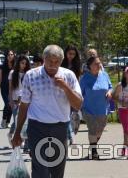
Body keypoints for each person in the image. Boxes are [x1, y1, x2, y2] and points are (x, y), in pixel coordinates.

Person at [11, 45, 82, 178]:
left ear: (61, 61)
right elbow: (24, 106)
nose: (53, 65)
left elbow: (78, 104)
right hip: (37, 128)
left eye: (57, 62)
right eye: (50, 61)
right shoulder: (31, 75)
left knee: (57, 171)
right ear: (44, 59)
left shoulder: (68, 76)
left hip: (60, 128)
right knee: (40, 170)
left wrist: (65, 87)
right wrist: (17, 132)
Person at [79, 55, 112, 160]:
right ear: (90, 66)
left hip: (103, 108)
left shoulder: (105, 75)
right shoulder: (85, 78)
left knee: (100, 130)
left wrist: (109, 92)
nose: (99, 65)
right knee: (92, 129)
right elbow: (79, 92)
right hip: (88, 109)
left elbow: (110, 87)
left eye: (99, 63)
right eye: (96, 64)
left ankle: (92, 146)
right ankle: (94, 152)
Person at [61, 45, 82, 143]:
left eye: (73, 54)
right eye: (69, 54)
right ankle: (70, 136)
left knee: (71, 114)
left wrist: (77, 93)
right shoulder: (61, 63)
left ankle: (70, 134)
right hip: (62, 91)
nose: (71, 56)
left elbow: (77, 80)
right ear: (65, 53)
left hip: (73, 91)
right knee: (66, 114)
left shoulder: (76, 65)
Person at [8, 55, 30, 138]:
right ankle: (12, 134)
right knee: (16, 119)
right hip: (15, 99)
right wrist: (10, 101)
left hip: (25, 100)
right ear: (18, 63)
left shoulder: (28, 73)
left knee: (24, 119)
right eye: (22, 63)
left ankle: (21, 138)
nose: (24, 65)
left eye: (25, 63)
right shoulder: (13, 73)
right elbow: (10, 89)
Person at [0, 50, 15, 128]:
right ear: (6, 56)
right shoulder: (2, 66)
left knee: (12, 105)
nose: (10, 56)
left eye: (11, 54)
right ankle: (4, 119)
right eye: (8, 54)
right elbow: (0, 78)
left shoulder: (15, 66)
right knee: (7, 104)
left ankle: (8, 121)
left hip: (13, 88)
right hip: (4, 87)